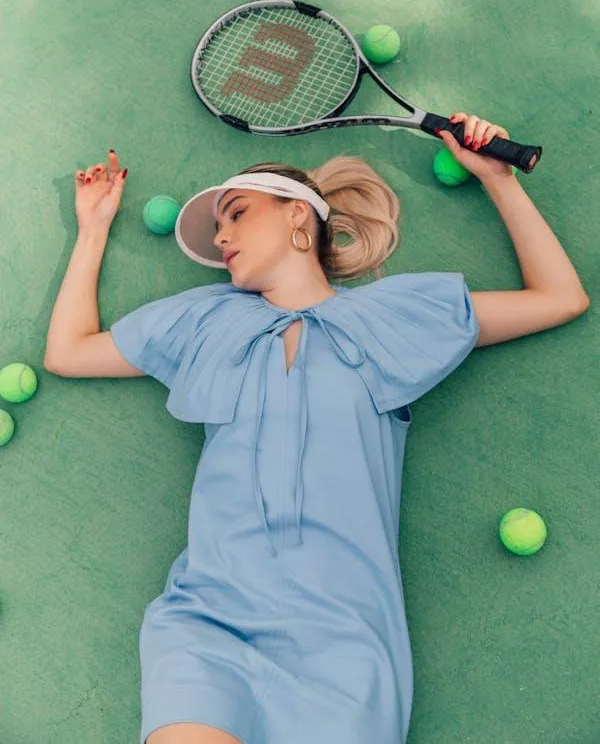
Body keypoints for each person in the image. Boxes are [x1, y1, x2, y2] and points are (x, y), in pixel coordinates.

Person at [44, 112, 589, 744]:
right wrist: (93, 229)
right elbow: (69, 352)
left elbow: (560, 297)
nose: (222, 237)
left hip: (346, 640)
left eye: (237, 214)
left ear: (299, 215)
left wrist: (500, 179)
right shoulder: (203, 321)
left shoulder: (394, 317)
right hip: (210, 617)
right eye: (220, 227)